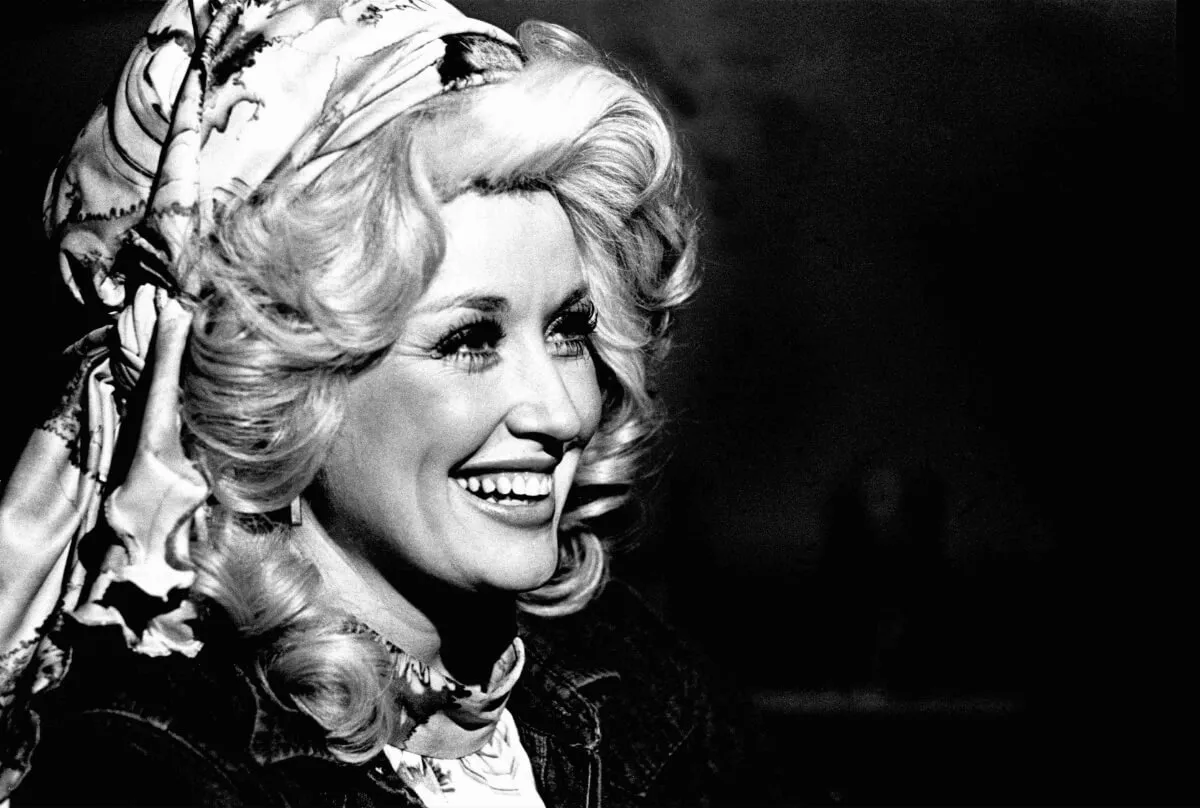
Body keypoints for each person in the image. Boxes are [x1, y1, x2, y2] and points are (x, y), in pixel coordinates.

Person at [0, 0, 738, 804]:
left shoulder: (638, 679)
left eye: (567, 330)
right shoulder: (154, 769)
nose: (560, 414)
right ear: (283, 379)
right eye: (470, 340)